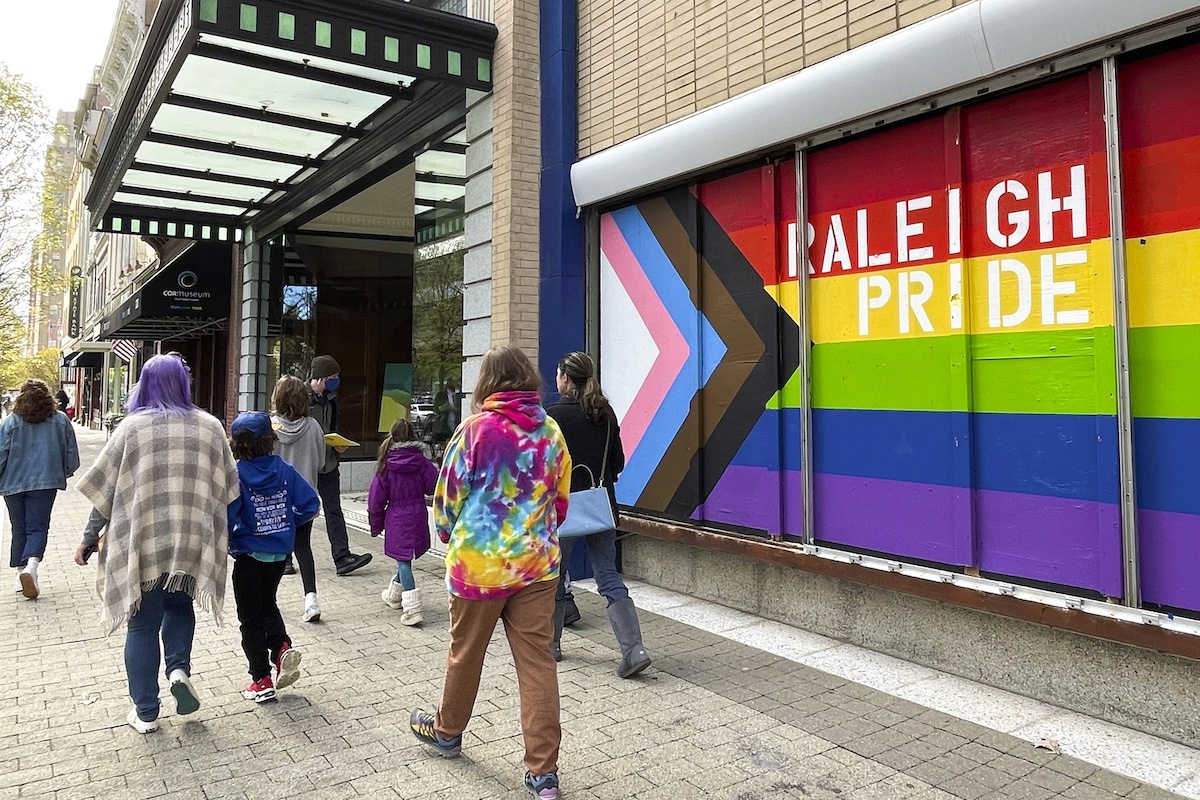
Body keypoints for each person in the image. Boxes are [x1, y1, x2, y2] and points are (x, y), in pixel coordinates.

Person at [409, 346, 571, 800]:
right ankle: (544, 774)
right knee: (537, 663)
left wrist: (444, 533)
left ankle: (446, 732)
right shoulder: (551, 432)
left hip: (479, 570)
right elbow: (560, 501)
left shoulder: (475, 430)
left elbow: (447, 499)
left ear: (488, 383)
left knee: (466, 654)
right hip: (537, 567)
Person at [76, 355, 240, 734]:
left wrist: (88, 539)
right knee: (180, 605)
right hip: (192, 540)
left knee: (142, 626)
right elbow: (229, 488)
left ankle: (147, 712)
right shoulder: (211, 427)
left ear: (144, 384)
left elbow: (105, 493)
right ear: (185, 384)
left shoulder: (132, 429)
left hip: (143, 542)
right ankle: (179, 670)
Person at [547, 352, 651, 678]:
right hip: (601, 505)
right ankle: (634, 649)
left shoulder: (552, 417)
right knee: (608, 576)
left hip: (563, 510)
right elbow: (617, 463)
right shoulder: (604, 413)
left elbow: (543, 467)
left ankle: (551, 646)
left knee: (554, 577)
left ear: (564, 378)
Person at [227, 411, 320, 704]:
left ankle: (260, 679)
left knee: (249, 618)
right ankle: (281, 647)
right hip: (279, 555)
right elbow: (309, 504)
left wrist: (228, 538)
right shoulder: (284, 469)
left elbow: (228, 514)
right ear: (270, 440)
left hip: (249, 555)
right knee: (268, 603)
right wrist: (290, 520)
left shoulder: (237, 475)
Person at [0, 379, 79, 599]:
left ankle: (19, 575)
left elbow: (1, 454)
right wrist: (64, 471)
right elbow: (72, 454)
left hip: (12, 483)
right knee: (37, 527)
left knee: (18, 528)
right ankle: (31, 567)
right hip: (46, 482)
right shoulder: (60, 421)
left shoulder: (11, 422)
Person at [369, 418, 438, 624]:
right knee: (405, 558)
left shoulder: (386, 465)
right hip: (417, 514)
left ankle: (412, 609)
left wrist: (376, 523)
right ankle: (393, 595)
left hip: (397, 516)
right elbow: (433, 486)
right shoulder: (421, 462)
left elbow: (375, 501)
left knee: (403, 560)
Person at [308, 354, 372, 576]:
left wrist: (337, 445)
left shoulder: (332, 398)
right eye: (333, 376)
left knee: (334, 509)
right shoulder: (302, 398)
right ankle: (286, 559)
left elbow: (333, 427)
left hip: (328, 464)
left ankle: (342, 557)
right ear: (321, 377)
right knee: (299, 511)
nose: (336, 380)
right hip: (306, 464)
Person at [272, 375, 326, 622]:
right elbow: (322, 463)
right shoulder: (314, 427)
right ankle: (311, 599)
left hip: (276, 499)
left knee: (276, 550)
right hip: (305, 499)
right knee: (303, 547)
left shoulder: (271, 427)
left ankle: (269, 599)